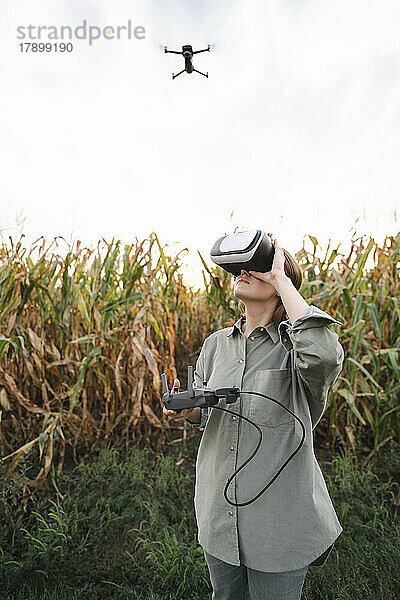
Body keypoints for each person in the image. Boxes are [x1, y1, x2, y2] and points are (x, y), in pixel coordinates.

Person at [163, 238, 345, 600]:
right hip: (218, 513)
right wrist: (188, 408)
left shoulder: (296, 350)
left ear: (279, 288)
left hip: (279, 521)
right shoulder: (215, 345)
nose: (243, 271)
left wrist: (281, 276)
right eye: (240, 268)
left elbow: (325, 357)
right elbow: (205, 416)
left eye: (256, 268)